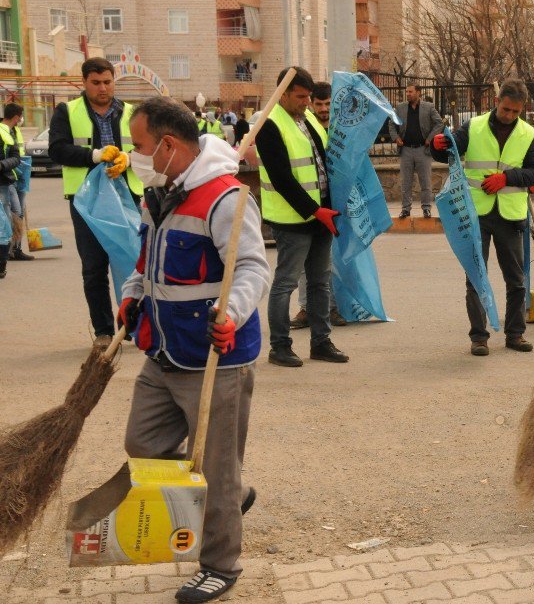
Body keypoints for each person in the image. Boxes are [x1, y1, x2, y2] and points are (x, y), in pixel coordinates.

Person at [116, 97, 269, 603]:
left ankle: (221, 564)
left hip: (213, 357)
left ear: (167, 145)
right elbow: (147, 259)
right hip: (161, 349)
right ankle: (231, 495)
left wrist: (233, 314)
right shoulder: (156, 192)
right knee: (142, 444)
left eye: (138, 145)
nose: (132, 154)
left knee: (217, 467)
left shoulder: (225, 198)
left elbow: (251, 268)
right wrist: (132, 294)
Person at [431, 79, 534, 356]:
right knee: (475, 277)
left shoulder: (528, 134)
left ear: (523, 109)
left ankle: (515, 334)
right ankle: (478, 337)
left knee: (516, 279)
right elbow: (450, 150)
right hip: (477, 213)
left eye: (516, 112)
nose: (510, 116)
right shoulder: (474, 126)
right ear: (496, 102)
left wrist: (506, 177)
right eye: (506, 109)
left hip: (511, 214)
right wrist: (437, 145)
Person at [256, 67, 348, 367]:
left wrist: (328, 209)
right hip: (292, 219)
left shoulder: (306, 118)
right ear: (282, 93)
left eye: (309, 97)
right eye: (300, 97)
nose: (307, 102)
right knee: (286, 282)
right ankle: (279, 346)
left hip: (320, 216)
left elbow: (322, 164)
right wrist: (314, 210)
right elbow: (282, 179)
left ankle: (321, 341)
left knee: (320, 282)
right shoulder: (268, 124)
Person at [48, 57, 142, 348]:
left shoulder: (132, 113)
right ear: (85, 83)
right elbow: (57, 149)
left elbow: (149, 149)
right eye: (96, 82)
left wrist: (129, 158)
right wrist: (93, 155)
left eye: (108, 82)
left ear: (114, 81)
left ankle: (137, 327)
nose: (103, 88)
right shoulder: (67, 111)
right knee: (94, 266)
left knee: (135, 262)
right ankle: (103, 331)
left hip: (127, 195)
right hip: (86, 201)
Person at [290, 81, 348, 329]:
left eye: (327, 104)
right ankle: (306, 308)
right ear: (312, 104)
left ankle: (331, 308)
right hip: (308, 204)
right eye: (319, 104)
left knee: (331, 260)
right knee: (307, 263)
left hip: (334, 204)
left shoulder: (340, 129)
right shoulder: (306, 126)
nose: (324, 109)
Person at [389, 84, 444, 218]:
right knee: (405, 182)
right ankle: (406, 209)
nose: (408, 94)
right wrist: (396, 138)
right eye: (406, 91)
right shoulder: (400, 108)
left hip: (422, 150)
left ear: (418, 92)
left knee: (425, 182)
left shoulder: (428, 107)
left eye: (410, 92)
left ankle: (426, 208)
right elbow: (391, 124)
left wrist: (430, 138)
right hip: (406, 149)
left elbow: (439, 123)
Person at [0, 103, 32, 261]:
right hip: (7, 176)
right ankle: (8, 249)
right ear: (16, 117)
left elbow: (17, 153)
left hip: (19, 173)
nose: (21, 120)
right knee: (11, 212)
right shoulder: (3, 131)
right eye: (20, 117)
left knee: (18, 211)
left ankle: (15, 248)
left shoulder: (15, 131)